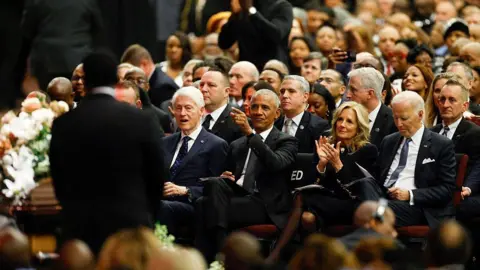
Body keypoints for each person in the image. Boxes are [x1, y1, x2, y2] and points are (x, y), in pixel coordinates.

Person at [49, 51, 166, 254]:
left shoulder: (64, 124)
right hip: (130, 225)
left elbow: (59, 179)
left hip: (80, 228)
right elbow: (157, 173)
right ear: (114, 80)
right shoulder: (141, 120)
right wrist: (147, 214)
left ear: (84, 81)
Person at [195, 90, 298, 262]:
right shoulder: (237, 144)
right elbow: (230, 176)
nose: (258, 112)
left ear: (277, 113)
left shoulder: (286, 141)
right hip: (239, 195)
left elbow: (275, 163)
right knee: (213, 185)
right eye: (254, 107)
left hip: (265, 203)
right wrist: (226, 177)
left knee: (203, 206)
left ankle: (216, 257)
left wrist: (251, 134)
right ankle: (215, 253)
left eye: (264, 108)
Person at [268, 102, 378, 262]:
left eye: (349, 121)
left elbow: (360, 189)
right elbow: (310, 183)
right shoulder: (327, 145)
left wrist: (338, 165)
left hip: (354, 204)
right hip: (329, 203)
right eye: (340, 120)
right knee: (307, 216)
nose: (342, 125)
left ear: (359, 126)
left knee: (302, 198)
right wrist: (321, 164)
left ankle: (279, 254)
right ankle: (315, 260)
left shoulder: (367, 150)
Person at [376, 91, 456, 227]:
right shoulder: (389, 141)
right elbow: (377, 176)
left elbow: (447, 189)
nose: (399, 124)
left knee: (371, 210)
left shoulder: (440, 144)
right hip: (383, 197)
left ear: (420, 115)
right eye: (395, 118)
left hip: (415, 206)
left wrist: (410, 195)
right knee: (364, 186)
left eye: (404, 118)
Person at [159, 86, 228, 235]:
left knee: (161, 207)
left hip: (192, 204)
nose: (183, 113)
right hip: (162, 199)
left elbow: (217, 188)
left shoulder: (215, 144)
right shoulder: (165, 142)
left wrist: (185, 190)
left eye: (188, 108)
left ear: (201, 111)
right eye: (178, 108)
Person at [18, 0, 104, 91]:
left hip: (47, 60)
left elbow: (27, 30)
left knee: (50, 100)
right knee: (77, 100)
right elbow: (97, 28)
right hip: (78, 59)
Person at [432, 79, 480, 221]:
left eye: (452, 100)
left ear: (465, 106)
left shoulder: (474, 133)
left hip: (461, 192)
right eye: (442, 99)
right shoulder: (430, 132)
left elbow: (479, 165)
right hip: (431, 191)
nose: (445, 104)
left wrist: (469, 187)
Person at [218, 0, 293, 70]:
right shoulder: (242, 9)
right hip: (247, 70)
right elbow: (224, 43)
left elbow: (276, 35)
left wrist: (251, 11)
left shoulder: (282, 6)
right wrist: (235, 15)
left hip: (272, 70)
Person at [275, 75, 329, 153]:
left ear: (305, 97)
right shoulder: (274, 124)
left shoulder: (319, 126)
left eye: (291, 91)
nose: (285, 95)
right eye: (282, 91)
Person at [346, 68, 397, 149]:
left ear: (370, 93)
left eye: (353, 90)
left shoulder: (393, 122)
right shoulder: (343, 116)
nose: (348, 95)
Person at [199, 68, 243, 144]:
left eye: (211, 85)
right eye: (201, 85)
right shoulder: (191, 115)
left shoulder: (238, 122)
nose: (204, 89)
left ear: (226, 92)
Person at [123, 67, 172, 134]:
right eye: (130, 80)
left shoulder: (161, 116)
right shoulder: (113, 110)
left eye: (140, 81)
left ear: (147, 87)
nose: (135, 83)